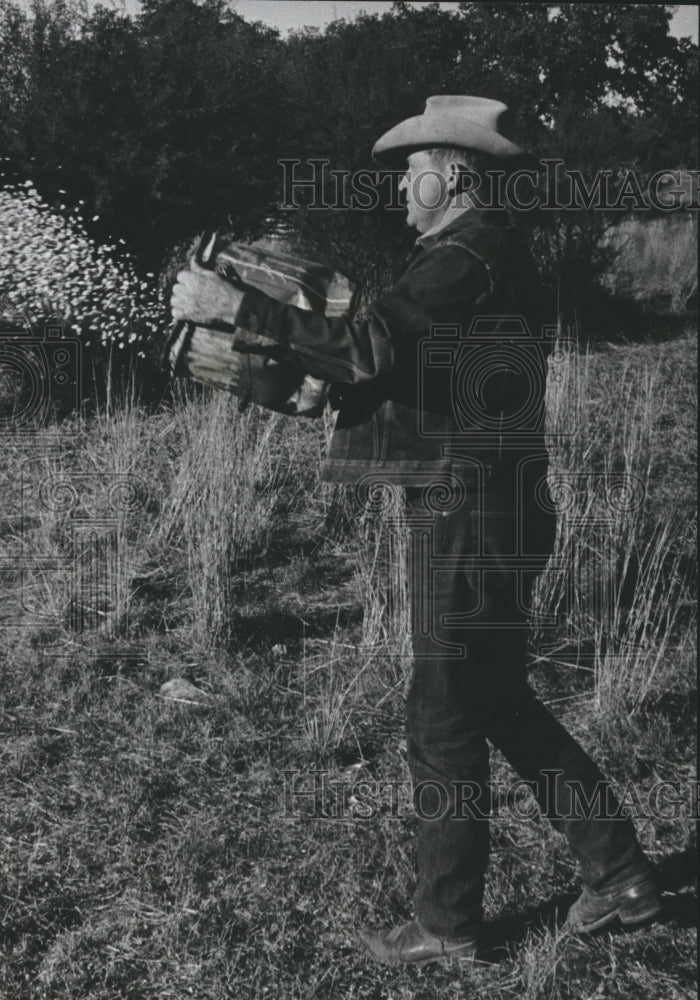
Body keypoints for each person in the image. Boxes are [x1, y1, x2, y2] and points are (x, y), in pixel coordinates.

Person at [171, 96, 661, 967]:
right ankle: (619, 874)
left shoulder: (464, 254)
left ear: (454, 175)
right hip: (489, 500)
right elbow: (401, 363)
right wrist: (320, 379)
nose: (402, 183)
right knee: (496, 698)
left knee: (441, 716)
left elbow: (369, 347)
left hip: (464, 509)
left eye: (411, 168)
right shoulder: (472, 255)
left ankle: (447, 924)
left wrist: (235, 309)